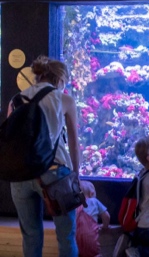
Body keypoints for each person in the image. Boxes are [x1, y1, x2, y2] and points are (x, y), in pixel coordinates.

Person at [8, 55, 81, 257]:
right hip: (55, 173)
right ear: (59, 79)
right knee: (66, 236)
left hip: (21, 175)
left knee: (31, 236)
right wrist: (76, 174)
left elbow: (11, 140)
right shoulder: (64, 99)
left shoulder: (17, 99)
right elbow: (74, 143)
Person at [76, 180, 110, 257]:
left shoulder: (75, 205)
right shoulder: (94, 201)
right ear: (92, 194)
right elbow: (106, 216)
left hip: (75, 240)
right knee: (96, 253)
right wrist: (105, 226)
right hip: (91, 240)